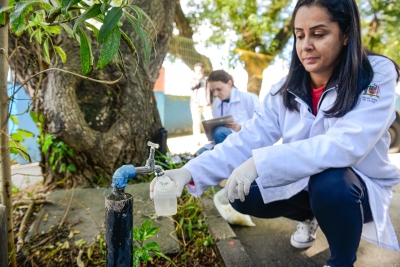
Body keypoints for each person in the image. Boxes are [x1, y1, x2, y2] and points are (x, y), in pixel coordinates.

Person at [151, 0, 400, 266]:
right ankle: (309, 217)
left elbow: (346, 145)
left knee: (331, 181)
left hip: (354, 188)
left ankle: (341, 260)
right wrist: (189, 171)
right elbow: (247, 139)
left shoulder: (374, 74)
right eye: (299, 35)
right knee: (240, 193)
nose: (305, 46)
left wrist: (260, 162)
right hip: (306, 182)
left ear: (347, 34)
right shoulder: (283, 89)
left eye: (319, 34)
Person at [207, 70, 259, 144]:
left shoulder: (249, 98)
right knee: (201, 152)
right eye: (213, 90)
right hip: (225, 140)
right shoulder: (216, 104)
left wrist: (240, 127)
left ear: (229, 83)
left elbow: (261, 124)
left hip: (246, 140)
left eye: (219, 89)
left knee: (219, 132)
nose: (215, 94)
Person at [189, 63, 213, 146]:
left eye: (200, 70)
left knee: (210, 121)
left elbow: (211, 91)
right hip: (195, 105)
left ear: (203, 70)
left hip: (206, 105)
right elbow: (191, 87)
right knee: (196, 123)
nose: (199, 71)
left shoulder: (207, 79)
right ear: (195, 70)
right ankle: (197, 141)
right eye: (197, 70)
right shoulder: (193, 79)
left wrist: (210, 102)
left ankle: (211, 138)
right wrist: (198, 79)